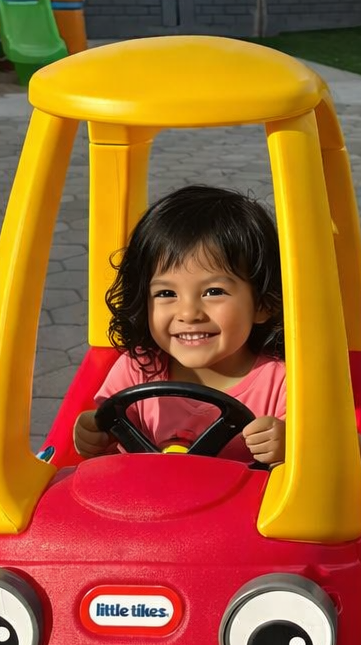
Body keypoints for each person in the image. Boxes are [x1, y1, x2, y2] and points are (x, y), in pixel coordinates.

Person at [73, 184, 288, 464]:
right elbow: (105, 435)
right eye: (166, 294)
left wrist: (293, 446)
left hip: (248, 507)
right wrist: (91, 432)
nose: (188, 313)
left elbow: (355, 450)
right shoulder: (137, 369)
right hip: (146, 505)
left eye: (214, 292)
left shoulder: (282, 383)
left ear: (263, 304)